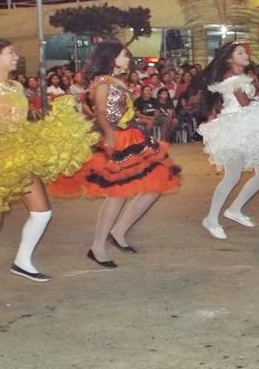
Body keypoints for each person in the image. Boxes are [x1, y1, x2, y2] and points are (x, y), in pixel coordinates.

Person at [0, 36, 98, 306]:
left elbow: (21, 120)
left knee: (42, 213)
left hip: (20, 155)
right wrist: (21, 138)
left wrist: (39, 134)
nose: (15, 57)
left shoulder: (16, 85)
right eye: (10, 52)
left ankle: (22, 261)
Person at [49, 40, 181, 267]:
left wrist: (142, 119)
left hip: (133, 136)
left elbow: (122, 111)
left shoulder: (114, 81)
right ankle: (97, 246)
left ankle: (119, 231)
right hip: (118, 139)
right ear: (112, 58)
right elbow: (101, 111)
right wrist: (110, 135)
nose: (128, 59)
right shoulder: (102, 82)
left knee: (157, 183)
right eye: (124, 55)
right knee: (118, 193)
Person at [193, 42, 259, 240]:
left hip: (247, 125)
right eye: (240, 52)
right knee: (232, 176)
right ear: (230, 59)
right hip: (236, 127)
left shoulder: (241, 77)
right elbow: (244, 103)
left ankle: (234, 209)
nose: (245, 54)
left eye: (245, 51)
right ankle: (211, 219)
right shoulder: (231, 78)